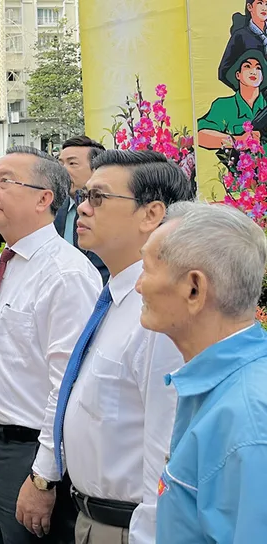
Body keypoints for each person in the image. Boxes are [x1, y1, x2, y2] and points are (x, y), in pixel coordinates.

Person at [0, 147, 101, 544]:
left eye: (6, 182)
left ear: (43, 199)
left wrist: (43, 477)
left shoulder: (66, 274)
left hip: (30, 453)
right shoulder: (0, 264)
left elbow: (67, 386)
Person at [51, 151, 191, 544]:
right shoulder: (114, 297)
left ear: (151, 214)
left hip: (132, 528)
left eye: (98, 197)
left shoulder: (162, 316)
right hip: (90, 518)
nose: (83, 208)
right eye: (83, 196)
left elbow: (166, 451)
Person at [135, 202, 267, 543]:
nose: (138, 286)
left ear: (194, 288)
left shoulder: (247, 421)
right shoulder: (222, 388)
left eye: (146, 269)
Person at [56, 136, 109, 283]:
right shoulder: (53, 209)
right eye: (60, 164)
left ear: (96, 170)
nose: (63, 171)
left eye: (72, 163)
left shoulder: (111, 211)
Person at [197, 48, 267, 150]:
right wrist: (238, 141)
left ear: (262, 77)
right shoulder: (223, 105)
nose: (253, 72)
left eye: (258, 68)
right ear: (238, 75)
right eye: (247, 66)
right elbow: (201, 136)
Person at [218, 0, 267, 88]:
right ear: (249, 7)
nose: (264, 8)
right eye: (260, 3)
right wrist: (244, 90)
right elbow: (224, 71)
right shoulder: (240, 36)